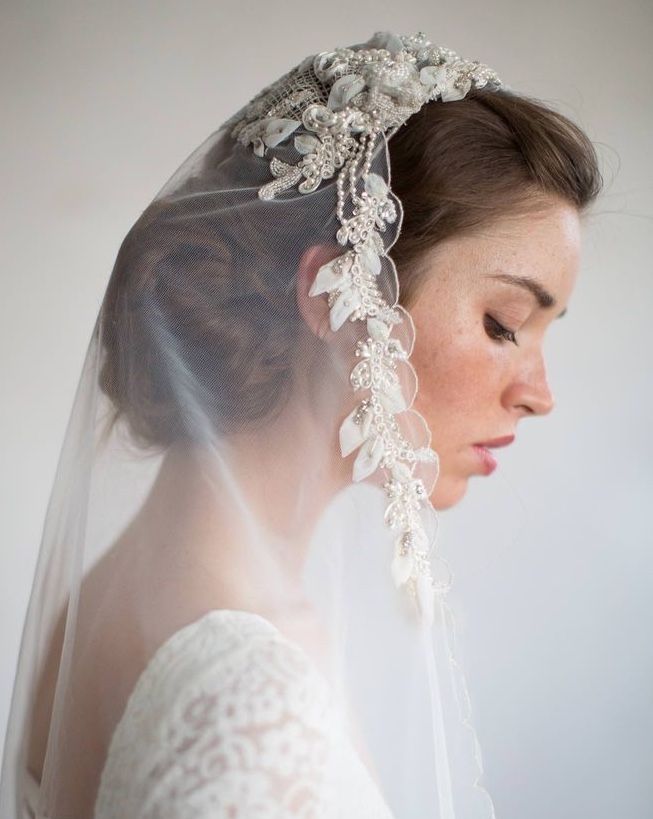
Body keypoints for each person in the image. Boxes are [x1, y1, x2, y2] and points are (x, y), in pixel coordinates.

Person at [0, 30, 602, 819]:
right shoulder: (247, 708)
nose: (538, 393)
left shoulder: (117, 592)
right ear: (332, 298)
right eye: (503, 322)